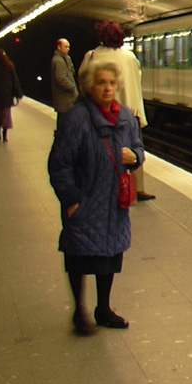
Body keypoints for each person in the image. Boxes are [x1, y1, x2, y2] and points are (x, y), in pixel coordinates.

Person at [48, 61, 144, 335]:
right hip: (86, 199)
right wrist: (71, 198)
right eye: (101, 83)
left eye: (112, 83)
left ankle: (103, 308)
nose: (108, 88)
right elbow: (60, 163)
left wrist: (135, 157)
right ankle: (80, 309)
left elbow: (139, 147)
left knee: (110, 255)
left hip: (114, 201)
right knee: (79, 255)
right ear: (90, 87)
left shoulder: (125, 116)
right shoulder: (77, 118)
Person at [79, 21, 154, 201]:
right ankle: (137, 189)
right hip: (129, 112)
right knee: (133, 149)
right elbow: (137, 79)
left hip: (102, 111)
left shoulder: (93, 56)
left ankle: (106, 186)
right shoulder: (130, 58)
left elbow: (83, 83)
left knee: (105, 149)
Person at [51, 38, 79, 126]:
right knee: (63, 122)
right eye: (65, 47)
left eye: (68, 47)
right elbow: (61, 78)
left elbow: (72, 72)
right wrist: (72, 87)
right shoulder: (58, 60)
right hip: (64, 98)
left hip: (67, 98)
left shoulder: (66, 58)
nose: (68, 49)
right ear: (59, 47)